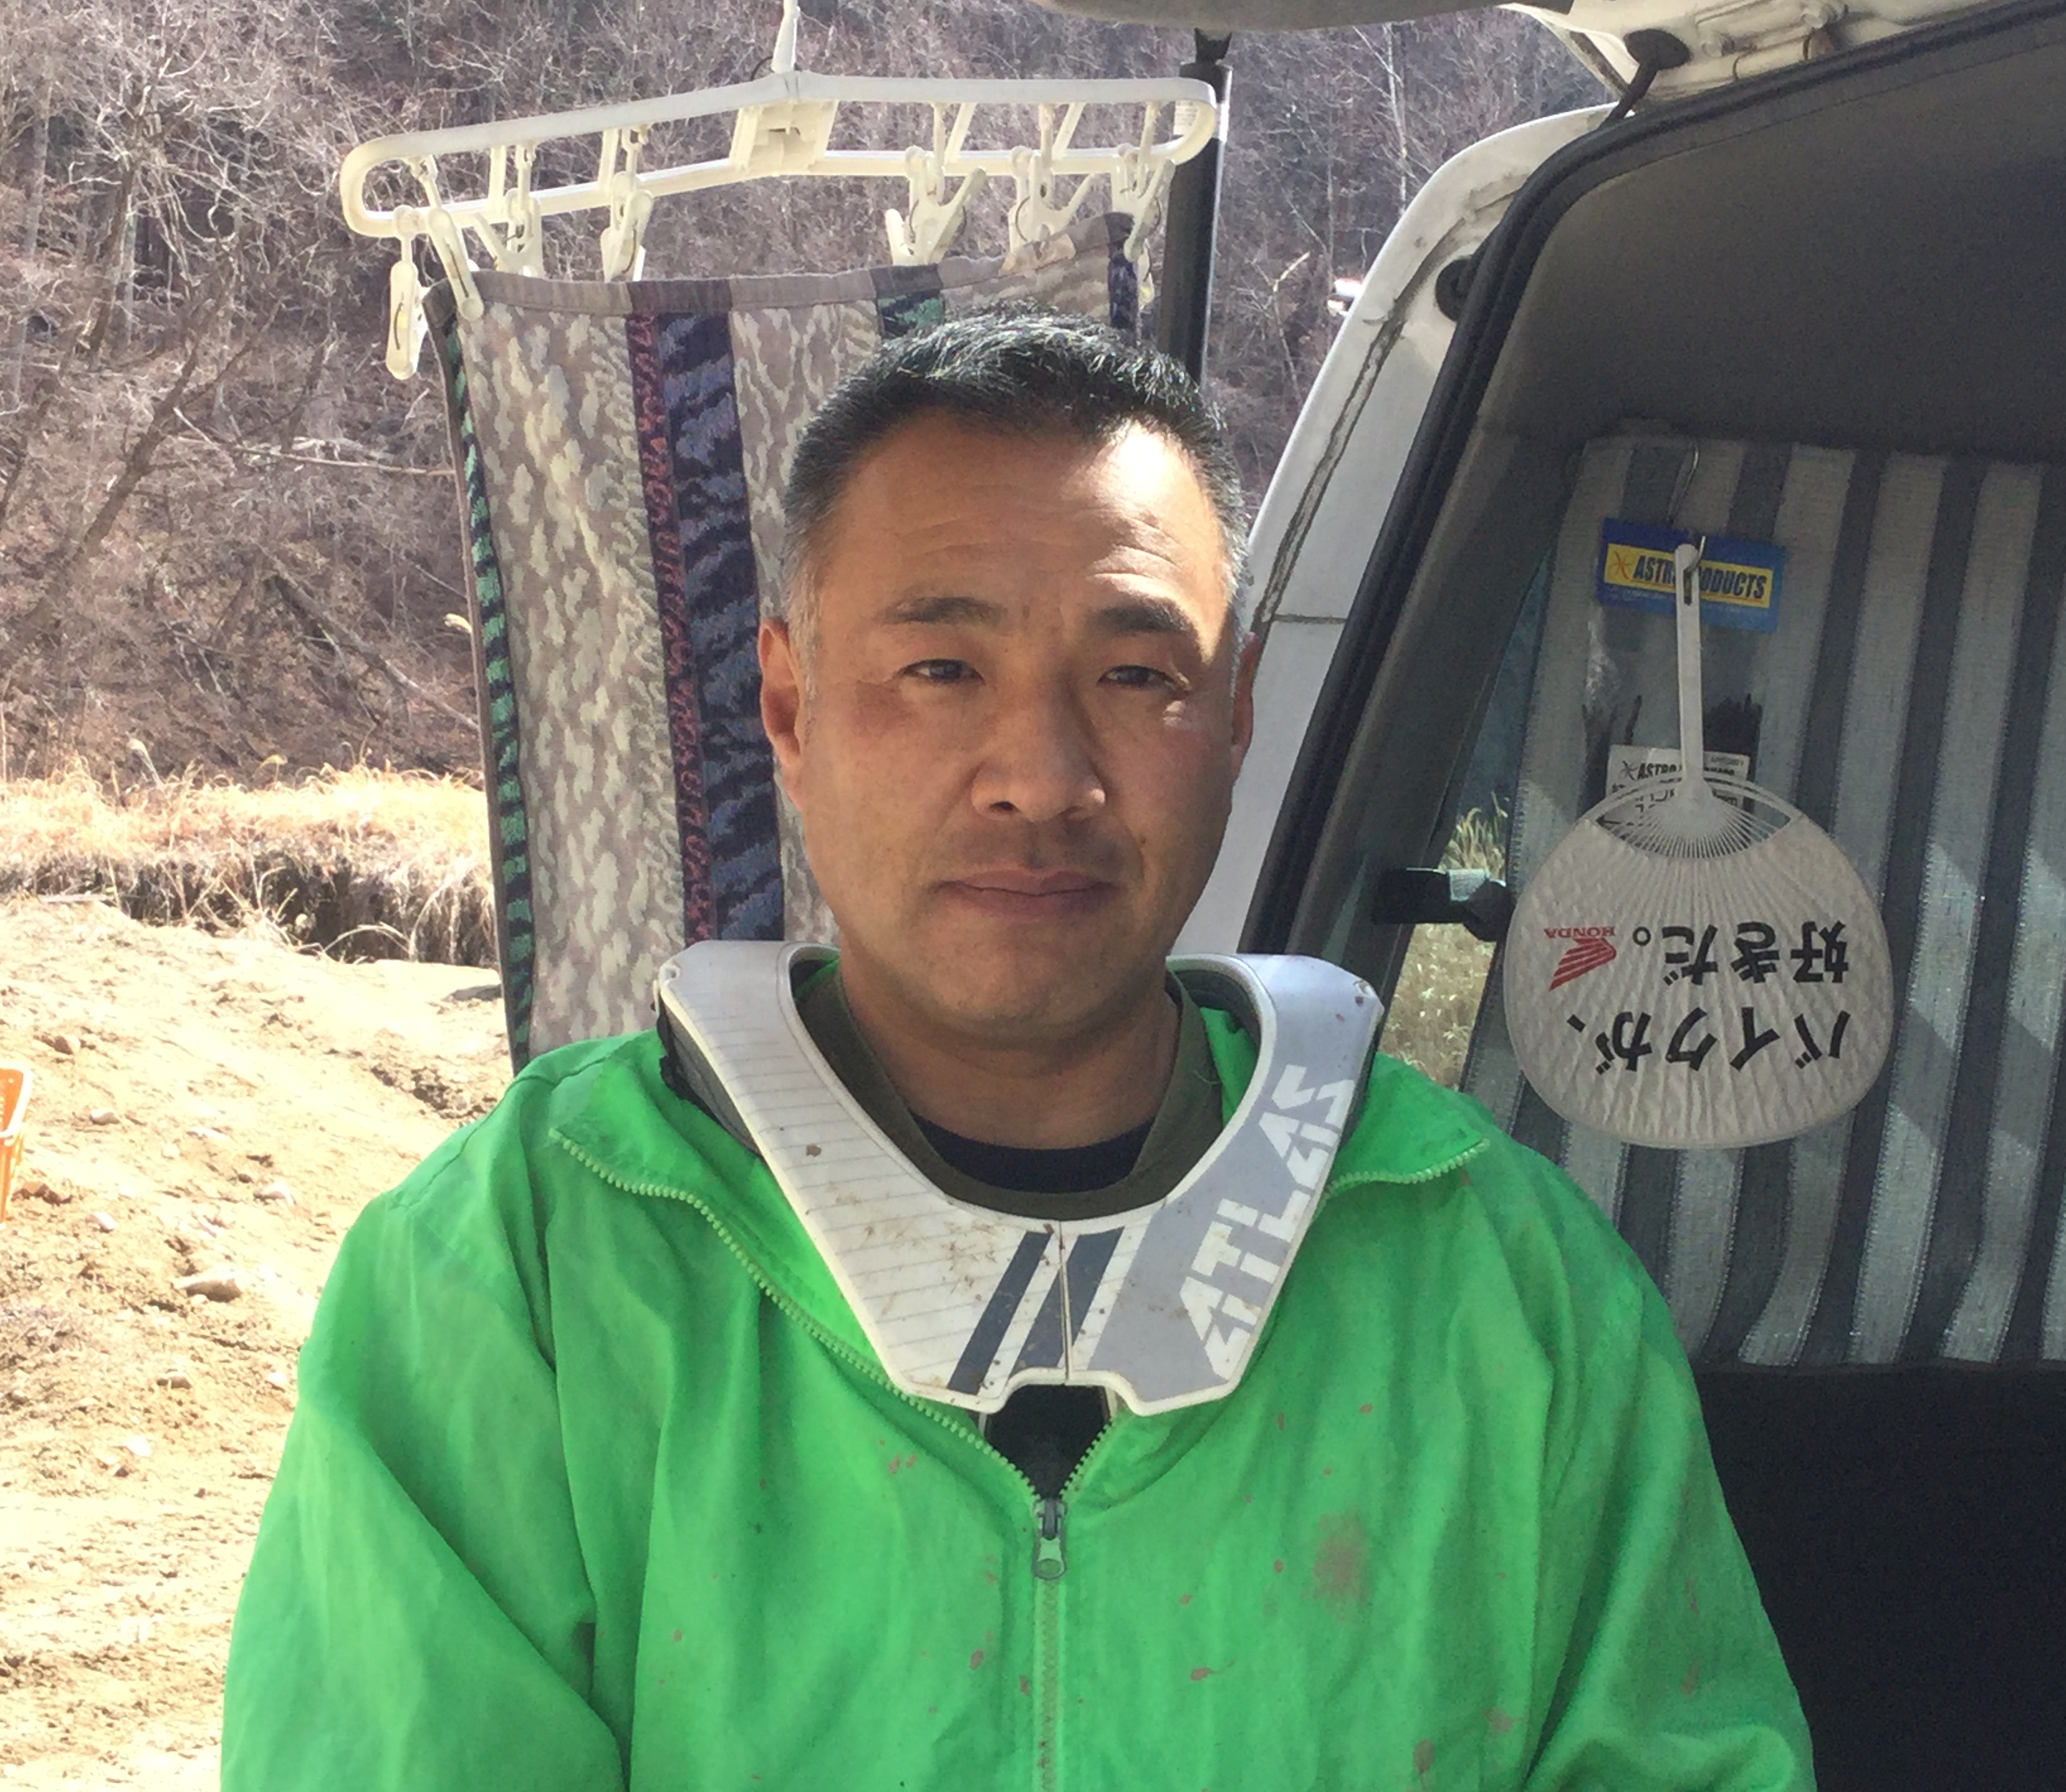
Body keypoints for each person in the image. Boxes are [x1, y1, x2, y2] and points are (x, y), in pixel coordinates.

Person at [222, 309, 1813, 1790]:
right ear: (790, 706)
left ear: (1237, 712)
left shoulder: (1504, 1287)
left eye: (1136, 675)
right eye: (941, 669)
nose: (1043, 775)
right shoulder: (530, 1271)